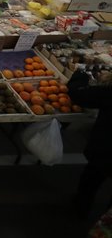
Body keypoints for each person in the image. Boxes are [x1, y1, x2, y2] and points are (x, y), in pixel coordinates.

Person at [68, 69, 112, 215]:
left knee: (91, 180)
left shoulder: (108, 92)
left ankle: (80, 209)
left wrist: (80, 75)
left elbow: (79, 95)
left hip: (106, 152)